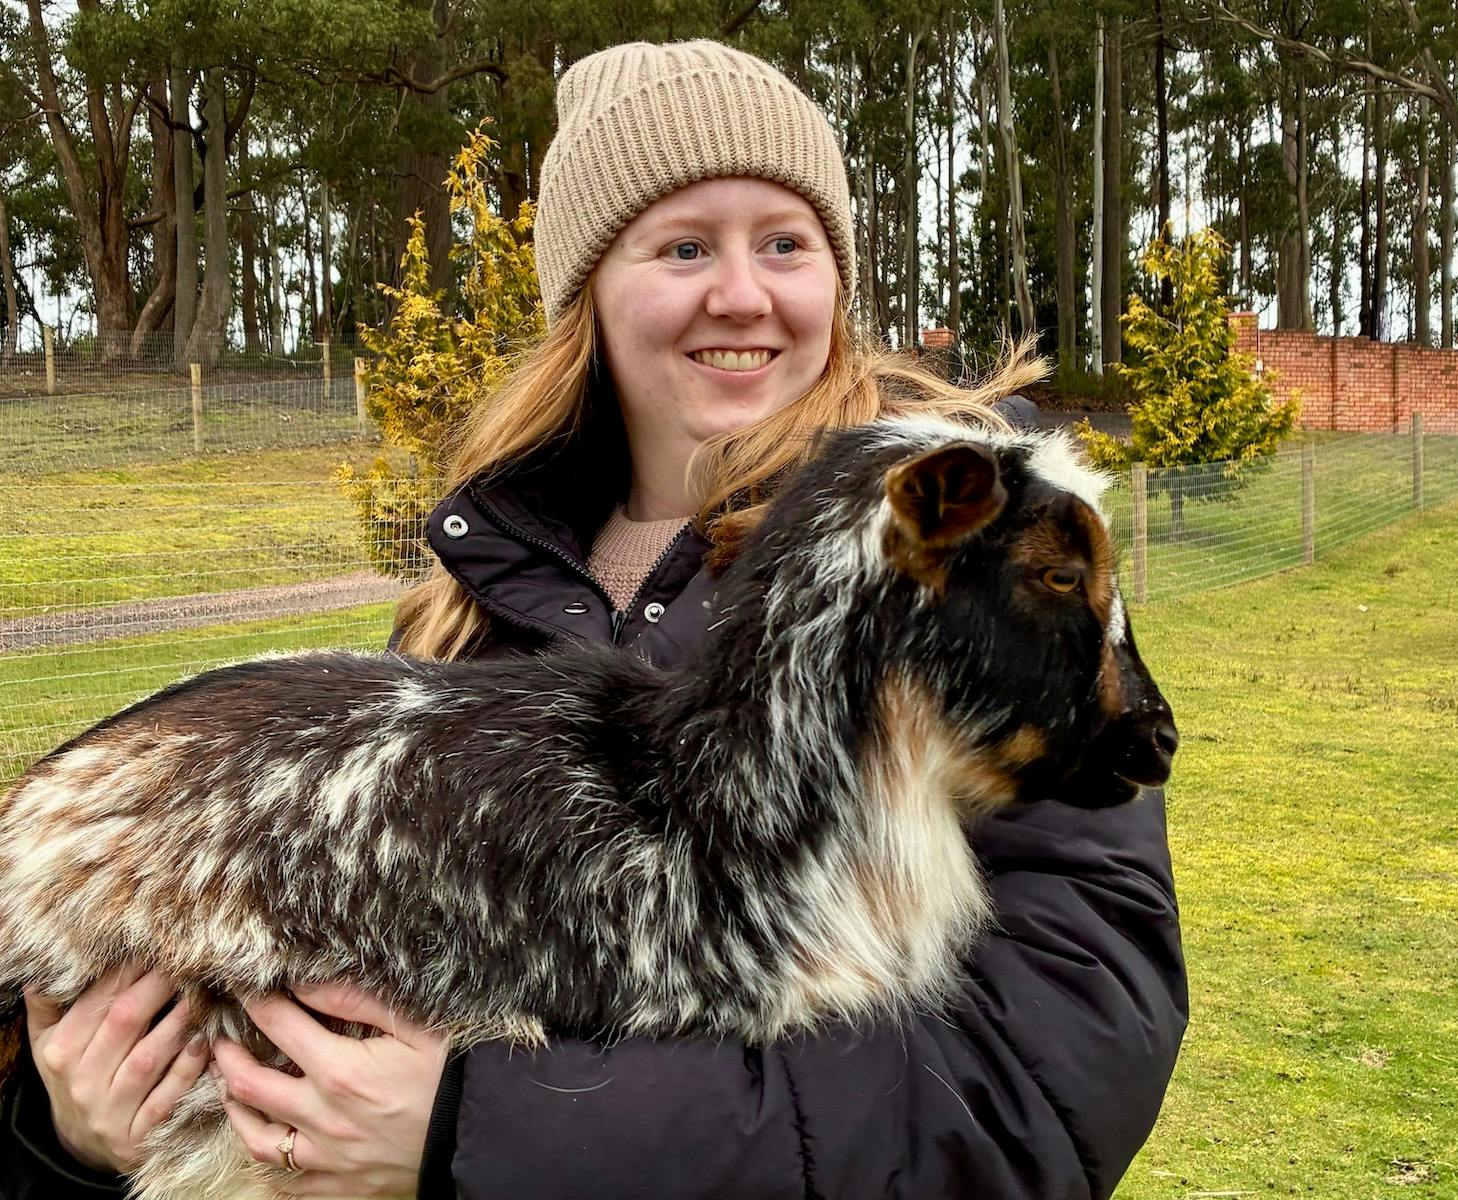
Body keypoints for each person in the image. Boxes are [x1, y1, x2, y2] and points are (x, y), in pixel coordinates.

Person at [1, 40, 1186, 1200]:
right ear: (588, 297)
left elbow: (1035, 1087)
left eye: (786, 242)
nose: (743, 292)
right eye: (681, 246)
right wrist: (72, 1133)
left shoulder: (956, 569)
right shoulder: (477, 599)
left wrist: (481, 1133)